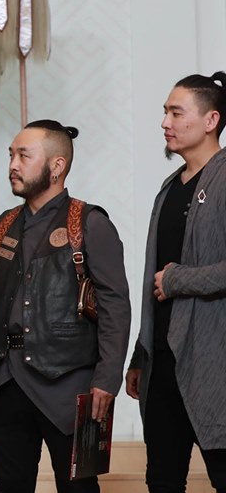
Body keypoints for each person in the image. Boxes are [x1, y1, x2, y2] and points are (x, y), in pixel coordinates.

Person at [0, 120, 131, 493]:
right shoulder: (2, 226)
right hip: (6, 383)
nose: (13, 165)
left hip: (73, 386)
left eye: (24, 156)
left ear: (57, 166)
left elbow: (115, 305)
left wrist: (107, 379)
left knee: (80, 488)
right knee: (9, 486)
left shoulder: (89, 223)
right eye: (11, 155)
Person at [126, 72, 226, 493]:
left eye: (176, 112)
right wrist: (141, 352)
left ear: (211, 120)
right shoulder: (168, 188)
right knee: (163, 481)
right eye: (165, 112)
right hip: (162, 364)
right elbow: (153, 281)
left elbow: (170, 278)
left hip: (213, 365)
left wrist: (179, 279)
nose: (165, 122)